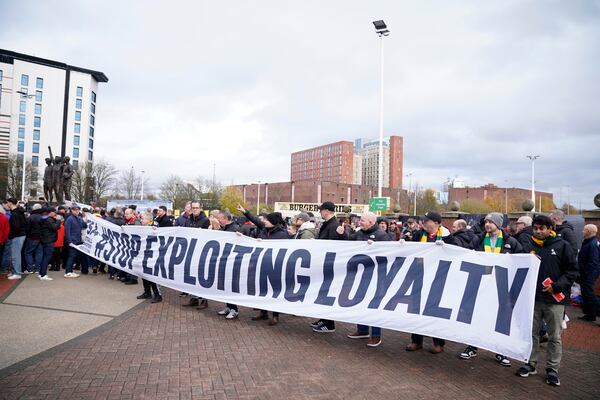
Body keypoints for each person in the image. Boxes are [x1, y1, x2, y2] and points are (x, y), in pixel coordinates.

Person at [515, 214, 578, 386]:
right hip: (532, 300)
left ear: (550, 229)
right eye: (535, 228)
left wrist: (557, 286)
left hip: (554, 301)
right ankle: (530, 363)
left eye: (542, 228)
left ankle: (552, 369)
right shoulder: (528, 245)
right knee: (531, 334)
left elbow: (572, 271)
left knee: (554, 336)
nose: (538, 231)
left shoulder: (562, 246)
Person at [459, 212, 523, 367]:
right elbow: (467, 254)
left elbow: (521, 258)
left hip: (501, 285)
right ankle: (472, 347)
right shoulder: (478, 239)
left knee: (499, 319)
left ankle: (500, 351)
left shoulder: (510, 241)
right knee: (476, 315)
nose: (487, 224)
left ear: (498, 224)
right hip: (481, 284)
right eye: (486, 222)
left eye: (490, 222)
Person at [405, 211, 455, 353]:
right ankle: (416, 340)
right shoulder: (419, 234)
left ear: (437, 223)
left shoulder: (448, 237)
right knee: (416, 308)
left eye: (427, 221)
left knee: (434, 310)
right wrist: (403, 244)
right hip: (420, 276)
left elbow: (458, 251)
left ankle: (438, 343)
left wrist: (446, 248)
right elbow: (410, 249)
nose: (424, 223)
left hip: (437, 278)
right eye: (424, 220)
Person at [237, 204, 289, 325]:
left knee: (274, 291)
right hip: (261, 265)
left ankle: (275, 315)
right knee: (262, 289)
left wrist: (266, 244)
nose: (264, 221)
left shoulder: (283, 235)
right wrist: (245, 211)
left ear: (273, 222)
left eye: (267, 220)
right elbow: (255, 219)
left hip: (275, 267)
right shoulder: (264, 229)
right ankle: (263, 312)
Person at [347, 212, 391, 347]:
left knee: (373, 306)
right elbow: (346, 242)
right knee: (360, 302)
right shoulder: (359, 233)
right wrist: (342, 234)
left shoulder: (382, 236)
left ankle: (376, 335)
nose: (360, 222)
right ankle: (362, 330)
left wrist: (376, 248)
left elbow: (389, 255)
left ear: (371, 223)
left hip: (377, 277)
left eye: (362, 220)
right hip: (361, 275)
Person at [311, 201, 348, 333]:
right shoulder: (330, 224)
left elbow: (331, 247)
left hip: (328, 266)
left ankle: (329, 323)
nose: (320, 212)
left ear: (326, 211)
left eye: (321, 210)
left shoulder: (333, 225)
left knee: (326, 294)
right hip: (325, 265)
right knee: (322, 293)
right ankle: (324, 318)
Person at [182, 201, 210, 308]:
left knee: (201, 277)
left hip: (201, 252)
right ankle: (193, 299)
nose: (194, 209)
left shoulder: (205, 221)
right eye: (193, 208)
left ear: (200, 208)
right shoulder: (188, 220)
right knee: (191, 276)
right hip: (191, 252)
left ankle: (204, 300)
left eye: (196, 208)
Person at [215, 210, 241, 319]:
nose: (218, 220)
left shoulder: (234, 229)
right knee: (224, 286)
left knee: (230, 287)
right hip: (224, 261)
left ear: (226, 219)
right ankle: (228, 307)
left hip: (232, 263)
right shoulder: (224, 228)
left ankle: (234, 309)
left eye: (220, 218)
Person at [577, 224, 600, 322]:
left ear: (589, 232)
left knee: (589, 293)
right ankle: (590, 314)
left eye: (584, 230)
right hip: (586, 272)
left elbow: (593, 261)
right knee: (585, 293)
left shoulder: (592, 244)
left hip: (589, 273)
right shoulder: (588, 242)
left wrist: (588, 274)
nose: (582, 231)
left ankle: (595, 313)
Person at [6, 198, 28, 280]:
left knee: (15, 255)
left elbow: (16, 227)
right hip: (20, 235)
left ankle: (17, 273)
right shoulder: (19, 212)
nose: (7, 204)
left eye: (7, 202)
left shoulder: (15, 214)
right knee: (16, 255)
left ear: (10, 203)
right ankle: (15, 271)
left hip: (17, 236)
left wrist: (10, 236)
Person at [63, 204, 87, 278]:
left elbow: (84, 226)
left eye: (78, 210)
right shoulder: (69, 219)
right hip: (72, 241)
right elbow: (67, 231)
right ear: (71, 210)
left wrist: (86, 219)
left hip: (78, 240)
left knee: (74, 257)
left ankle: (70, 271)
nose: (76, 211)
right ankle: (68, 272)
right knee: (71, 256)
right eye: (75, 210)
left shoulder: (79, 218)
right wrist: (69, 241)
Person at [38, 209, 62, 281]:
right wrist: (58, 220)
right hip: (49, 241)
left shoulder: (44, 219)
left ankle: (41, 273)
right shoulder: (48, 220)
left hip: (45, 240)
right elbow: (54, 227)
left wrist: (55, 220)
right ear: (50, 212)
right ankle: (43, 275)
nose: (55, 214)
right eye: (54, 212)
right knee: (46, 258)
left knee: (44, 257)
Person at [24, 203, 44, 274]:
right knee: (39, 253)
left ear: (34, 209)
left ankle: (30, 269)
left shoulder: (31, 217)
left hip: (32, 237)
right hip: (41, 237)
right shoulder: (43, 217)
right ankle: (38, 269)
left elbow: (27, 228)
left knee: (28, 252)